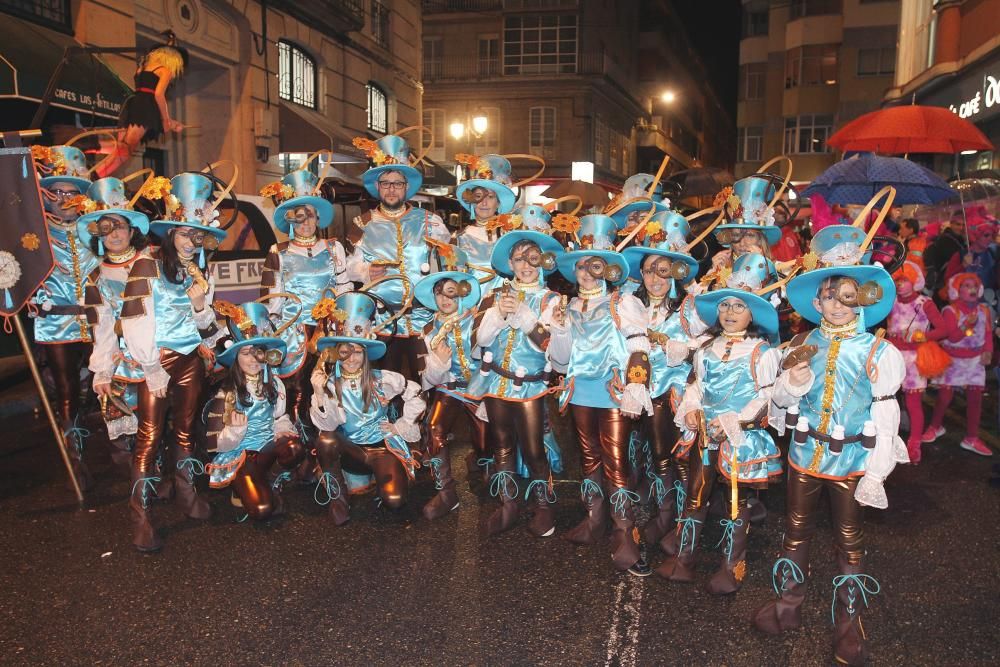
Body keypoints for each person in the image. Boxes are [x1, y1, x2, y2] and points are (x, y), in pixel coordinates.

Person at [754, 197, 906, 666]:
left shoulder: (878, 352)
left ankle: (848, 627)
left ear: (861, 299)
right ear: (816, 300)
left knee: (849, 540)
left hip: (851, 460)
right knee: (795, 530)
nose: (837, 306)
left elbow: (885, 412)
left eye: (847, 297)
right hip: (804, 453)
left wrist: (877, 471)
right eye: (828, 296)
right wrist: (788, 386)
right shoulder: (800, 343)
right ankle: (788, 605)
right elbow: (777, 403)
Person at [656, 253, 784, 594]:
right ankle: (686, 557)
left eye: (739, 307)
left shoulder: (762, 352)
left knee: (735, 502)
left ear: (753, 313)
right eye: (725, 306)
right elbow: (696, 385)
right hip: (704, 435)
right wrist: (692, 410)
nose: (729, 313)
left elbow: (765, 397)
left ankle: (731, 565)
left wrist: (732, 422)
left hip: (739, 437)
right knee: (695, 494)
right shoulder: (707, 347)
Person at [120, 172, 228, 551]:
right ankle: (141, 516)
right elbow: (133, 319)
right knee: (148, 438)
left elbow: (202, 322)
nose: (190, 241)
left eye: (197, 235)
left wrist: (200, 307)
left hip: (189, 360)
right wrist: (150, 367)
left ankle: (186, 495)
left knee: (184, 431)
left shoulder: (201, 270)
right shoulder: (146, 265)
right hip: (157, 360)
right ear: (170, 234)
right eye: (184, 233)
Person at [467, 225, 564, 538]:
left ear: (542, 261)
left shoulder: (552, 300)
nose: (525, 265)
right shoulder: (493, 295)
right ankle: (508, 504)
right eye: (519, 258)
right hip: (496, 384)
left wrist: (523, 315)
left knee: (534, 449)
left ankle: (543, 505)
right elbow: (478, 341)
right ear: (509, 263)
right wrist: (496, 315)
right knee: (503, 446)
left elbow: (552, 347)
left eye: (532, 258)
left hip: (530, 387)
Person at [620, 210, 703, 549]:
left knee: (675, 456)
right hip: (639, 393)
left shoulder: (689, 307)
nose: (655, 278)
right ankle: (665, 513)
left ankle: (681, 521)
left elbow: (708, 341)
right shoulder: (628, 303)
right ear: (640, 272)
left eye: (664, 271)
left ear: (675, 274)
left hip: (673, 395)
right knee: (656, 456)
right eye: (650, 270)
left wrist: (681, 347)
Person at [308, 292, 425, 523]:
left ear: (366, 354)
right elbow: (327, 425)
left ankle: (383, 481)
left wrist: (401, 425)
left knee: (395, 501)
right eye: (345, 351)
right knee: (326, 439)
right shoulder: (328, 383)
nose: (352, 358)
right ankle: (338, 500)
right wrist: (320, 394)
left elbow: (416, 394)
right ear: (337, 354)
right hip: (351, 450)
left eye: (358, 351)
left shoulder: (383, 379)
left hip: (381, 449)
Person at [346, 132, 450, 379]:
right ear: (378, 187)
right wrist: (365, 271)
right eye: (386, 183)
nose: (391, 189)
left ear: (407, 187)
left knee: (426, 384)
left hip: (423, 321)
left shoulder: (431, 222)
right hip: (382, 323)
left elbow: (448, 265)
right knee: (385, 386)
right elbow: (347, 268)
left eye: (398, 183)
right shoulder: (362, 224)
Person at [30, 144, 101, 492]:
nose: (64, 198)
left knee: (109, 381)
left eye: (72, 192)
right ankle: (76, 456)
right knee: (68, 388)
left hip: (98, 322)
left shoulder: (96, 230)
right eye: (57, 191)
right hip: (56, 323)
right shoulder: (35, 233)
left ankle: (127, 448)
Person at [259, 164, 349, 433]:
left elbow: (343, 290)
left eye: (310, 215)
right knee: (296, 393)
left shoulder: (335, 249)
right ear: (289, 220)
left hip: (328, 331)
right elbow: (272, 300)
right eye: (298, 217)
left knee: (331, 390)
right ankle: (297, 451)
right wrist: (268, 332)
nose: (305, 222)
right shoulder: (278, 251)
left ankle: (328, 450)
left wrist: (343, 325)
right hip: (293, 334)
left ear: (318, 217)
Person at [78, 176, 155, 471]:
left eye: (118, 225)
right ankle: (144, 477)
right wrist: (102, 369)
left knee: (159, 422)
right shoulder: (96, 276)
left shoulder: (150, 264)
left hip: (157, 355)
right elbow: (103, 324)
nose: (113, 234)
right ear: (99, 234)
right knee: (122, 425)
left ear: (131, 230)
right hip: (122, 358)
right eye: (105, 228)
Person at [203, 302, 306, 521]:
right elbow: (214, 445)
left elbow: (279, 416)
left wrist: (282, 430)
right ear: (236, 358)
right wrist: (236, 431)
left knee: (294, 447)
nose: (253, 360)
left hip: (267, 450)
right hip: (242, 457)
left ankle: (270, 480)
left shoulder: (274, 384)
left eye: (258, 353)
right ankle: (244, 485)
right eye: (246, 353)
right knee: (262, 510)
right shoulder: (227, 394)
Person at [415, 251, 487, 519]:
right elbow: (426, 380)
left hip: (479, 388)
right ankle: (446, 493)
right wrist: (438, 364)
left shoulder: (478, 320)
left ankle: (489, 470)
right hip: (448, 388)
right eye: (440, 294)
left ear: (461, 294)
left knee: (485, 440)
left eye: (451, 293)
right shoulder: (426, 331)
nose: (446, 300)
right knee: (434, 428)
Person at [922, 272, 994, 456]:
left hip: (975, 361)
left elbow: (987, 333)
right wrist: (966, 326)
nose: (971, 289)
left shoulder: (984, 310)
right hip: (953, 359)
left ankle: (971, 437)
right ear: (957, 290)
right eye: (966, 286)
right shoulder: (950, 311)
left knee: (975, 400)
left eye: (974, 286)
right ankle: (935, 426)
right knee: (944, 397)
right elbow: (952, 338)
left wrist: (988, 351)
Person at [98, 32, 189, 177]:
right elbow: (158, 94)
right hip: (145, 106)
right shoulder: (164, 71)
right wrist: (166, 120)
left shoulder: (142, 69)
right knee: (127, 147)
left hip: (134, 104)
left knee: (125, 150)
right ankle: (89, 144)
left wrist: (171, 123)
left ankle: (98, 174)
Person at [886, 262, 947, 464]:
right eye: (898, 280)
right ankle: (887, 442)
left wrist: (924, 336)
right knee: (887, 401)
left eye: (905, 280)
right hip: (892, 357)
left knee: (913, 404)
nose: (901, 284)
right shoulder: (890, 301)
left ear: (915, 281)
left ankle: (914, 444)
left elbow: (943, 330)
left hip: (914, 360)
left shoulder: (925, 303)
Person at [923, 209, 968, 302]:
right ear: (951, 224)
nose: (961, 228)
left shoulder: (961, 240)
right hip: (944, 286)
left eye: (964, 225)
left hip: (952, 284)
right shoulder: (945, 240)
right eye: (958, 224)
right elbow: (953, 262)